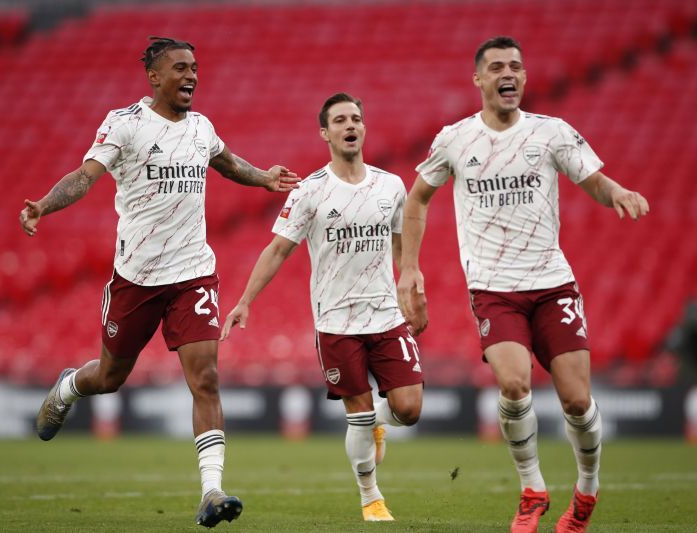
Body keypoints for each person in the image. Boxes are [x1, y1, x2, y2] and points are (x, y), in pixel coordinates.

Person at [18, 36, 299, 529]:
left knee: (206, 378)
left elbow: (227, 163)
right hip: (137, 279)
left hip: (193, 274)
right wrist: (44, 203)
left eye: (195, 67)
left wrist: (264, 179)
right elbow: (85, 176)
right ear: (153, 76)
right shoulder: (125, 124)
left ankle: (211, 492)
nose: (191, 76)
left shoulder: (201, 128)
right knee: (109, 378)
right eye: (180, 68)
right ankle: (67, 389)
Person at [397, 36, 649, 533]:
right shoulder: (454, 139)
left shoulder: (551, 133)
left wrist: (616, 189)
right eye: (496, 67)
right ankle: (532, 489)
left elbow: (592, 178)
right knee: (514, 385)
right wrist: (409, 267)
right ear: (479, 79)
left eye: (515, 66)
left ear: (525, 78)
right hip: (493, 288)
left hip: (553, 284)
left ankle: (587, 491)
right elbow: (417, 199)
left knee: (577, 401)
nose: (507, 73)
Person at [220, 93, 424, 522]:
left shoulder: (390, 186)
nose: (350, 125)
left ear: (364, 128)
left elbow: (401, 240)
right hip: (336, 321)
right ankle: (371, 497)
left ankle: (379, 423)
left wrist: (409, 279)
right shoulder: (310, 191)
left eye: (356, 118)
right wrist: (244, 302)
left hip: (386, 315)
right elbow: (277, 249)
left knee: (409, 408)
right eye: (340, 120)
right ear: (325, 133)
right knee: (359, 415)